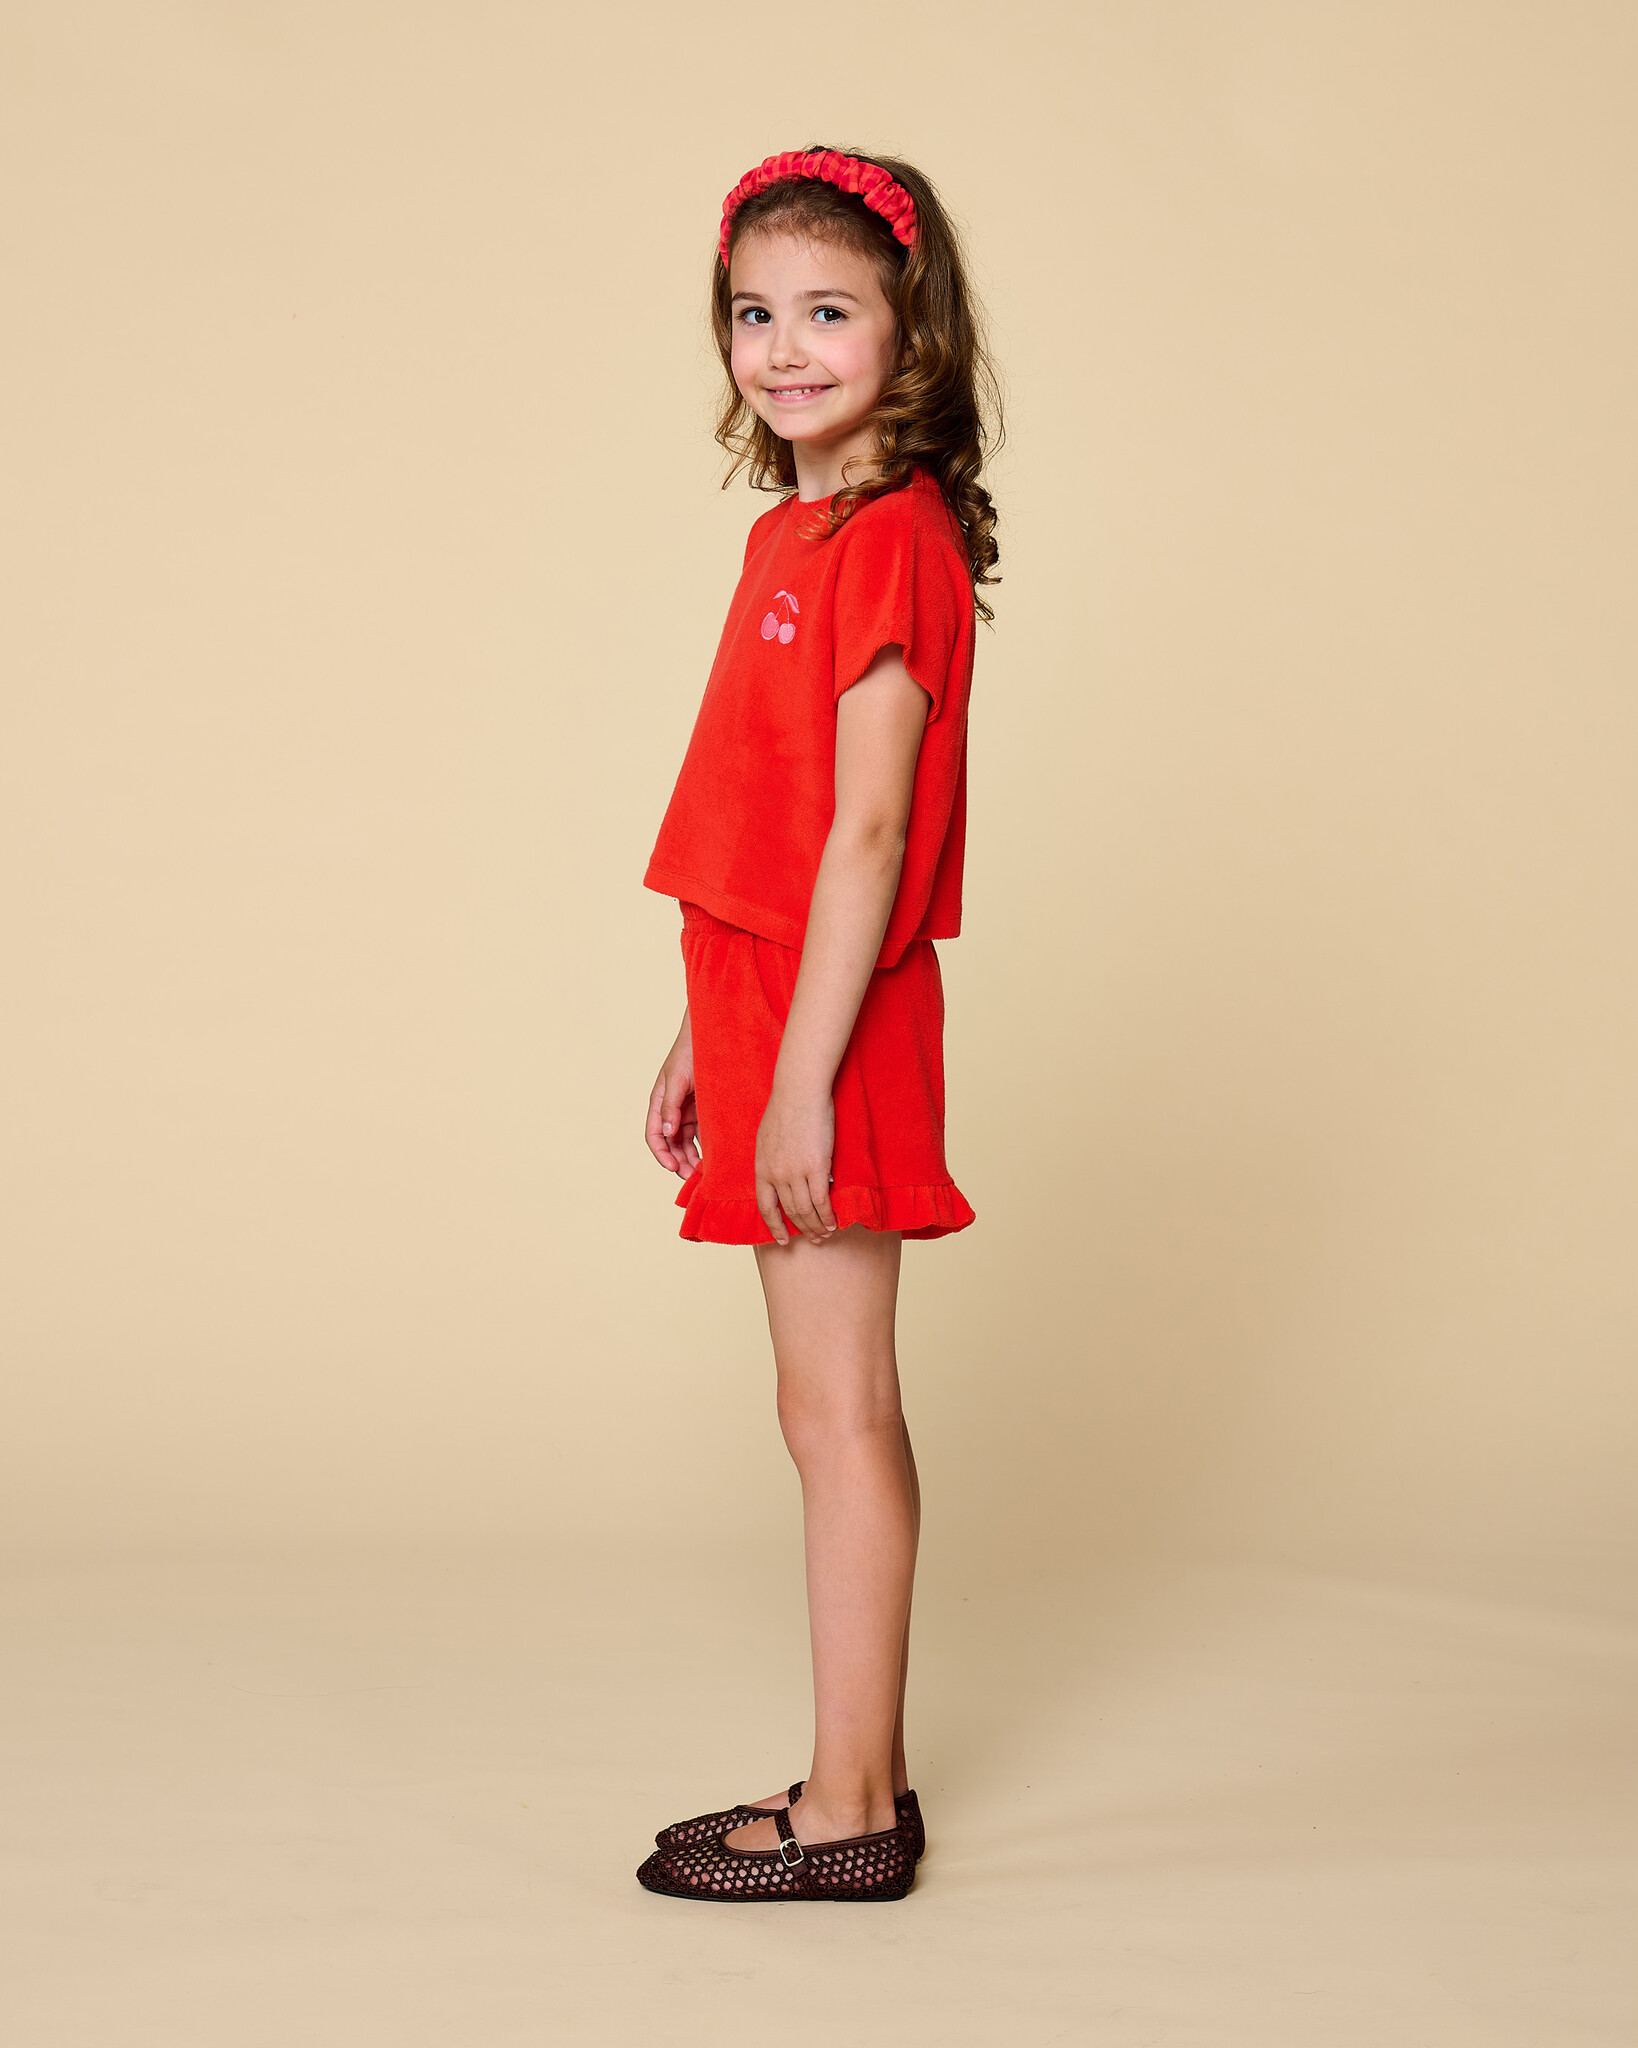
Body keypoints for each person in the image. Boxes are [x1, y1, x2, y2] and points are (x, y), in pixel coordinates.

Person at [635, 147, 1001, 1905]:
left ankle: (852, 1806)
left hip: (830, 1026)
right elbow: (768, 820)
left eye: (827, 311)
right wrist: (701, 1029)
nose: (782, 348)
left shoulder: (894, 540)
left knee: (838, 1410)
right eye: (752, 312)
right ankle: (861, 1772)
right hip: (770, 1005)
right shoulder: (794, 531)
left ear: (908, 332)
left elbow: (866, 833)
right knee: (819, 1405)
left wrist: (796, 1081)